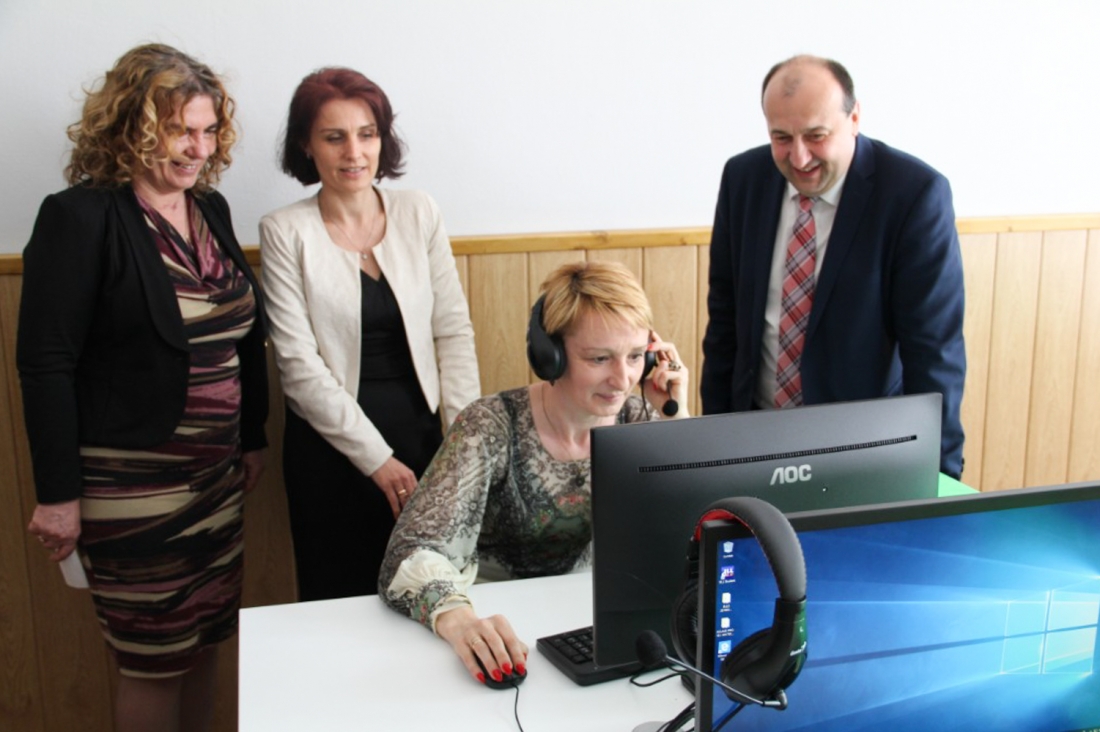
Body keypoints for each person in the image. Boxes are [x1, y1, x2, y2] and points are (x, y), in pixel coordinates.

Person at [18, 44, 267, 732]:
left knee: (207, 643)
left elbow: (243, 338)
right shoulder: (79, 217)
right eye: (180, 131)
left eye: (208, 131)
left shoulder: (210, 207)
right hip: (132, 492)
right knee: (154, 662)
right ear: (131, 126)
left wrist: (250, 438)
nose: (199, 149)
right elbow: (46, 364)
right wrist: (58, 496)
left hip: (217, 483)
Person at [379, 260, 689, 684]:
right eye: (600, 358)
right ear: (550, 357)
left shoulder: (641, 419)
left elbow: (690, 536)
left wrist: (675, 419)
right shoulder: (490, 425)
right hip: (494, 622)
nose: (622, 379)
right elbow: (409, 551)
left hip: (583, 621)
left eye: (636, 356)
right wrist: (460, 622)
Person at [260, 67, 481, 601]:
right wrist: (377, 461)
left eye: (367, 134)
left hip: (425, 438)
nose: (354, 152)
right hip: (331, 450)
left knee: (433, 594)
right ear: (306, 145)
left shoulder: (418, 211)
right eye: (334, 137)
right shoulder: (284, 230)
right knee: (337, 600)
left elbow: (453, 332)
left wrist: (463, 445)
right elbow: (298, 366)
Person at [700, 55, 966, 478]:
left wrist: (939, 476)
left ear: (854, 118)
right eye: (781, 137)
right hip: (752, 439)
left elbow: (934, 354)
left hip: (860, 450)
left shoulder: (913, 195)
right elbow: (724, 326)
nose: (799, 157)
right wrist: (708, 449)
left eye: (816, 136)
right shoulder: (743, 179)